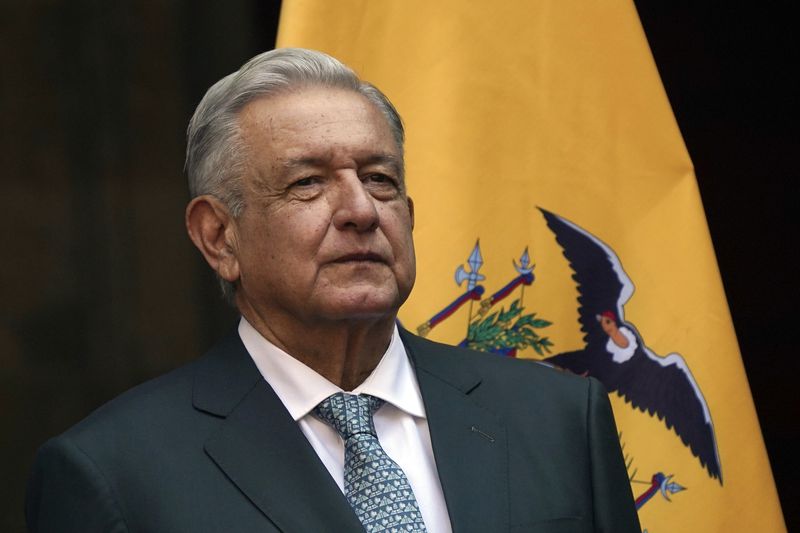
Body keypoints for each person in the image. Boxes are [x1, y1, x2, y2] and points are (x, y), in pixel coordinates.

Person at [26, 48, 641, 533]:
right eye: (308, 184)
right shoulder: (115, 472)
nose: (360, 211)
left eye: (379, 179)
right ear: (219, 237)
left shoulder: (557, 420)